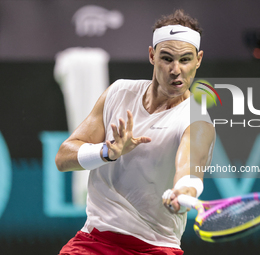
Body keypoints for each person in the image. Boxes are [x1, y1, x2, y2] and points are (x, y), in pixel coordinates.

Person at [55, 9, 215, 255]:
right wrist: (106, 151)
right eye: (167, 58)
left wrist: (183, 191)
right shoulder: (119, 92)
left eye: (185, 59)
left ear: (198, 59)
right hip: (94, 242)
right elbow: (63, 158)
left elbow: (189, 169)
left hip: (156, 247)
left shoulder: (198, 120)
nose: (176, 70)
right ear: (151, 55)